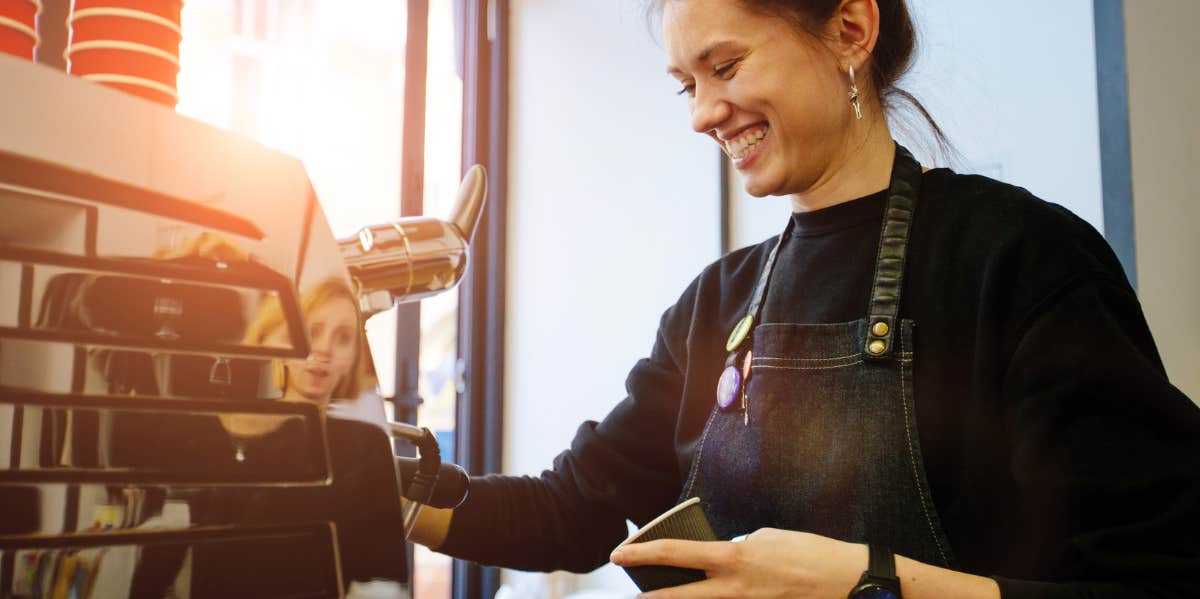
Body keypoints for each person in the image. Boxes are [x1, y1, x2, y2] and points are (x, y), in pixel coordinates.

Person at [410, 1, 1200, 597]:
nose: (701, 115)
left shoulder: (1019, 258)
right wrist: (392, 490)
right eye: (686, 85)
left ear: (852, 29)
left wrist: (869, 582)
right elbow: (572, 510)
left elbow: (1157, 571)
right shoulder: (712, 309)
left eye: (725, 67)